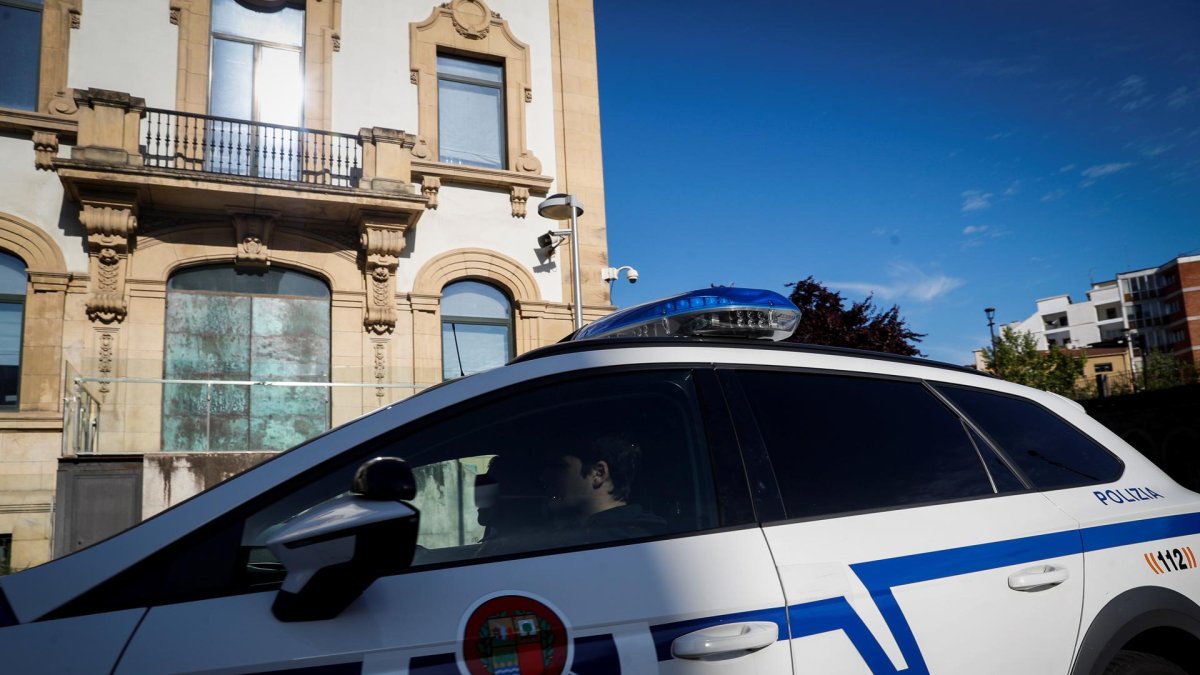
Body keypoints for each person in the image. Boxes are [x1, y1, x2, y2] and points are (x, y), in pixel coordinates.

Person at [541, 434, 667, 544]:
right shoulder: (643, 536)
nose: (544, 477)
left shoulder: (630, 539)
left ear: (598, 473)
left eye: (559, 467)